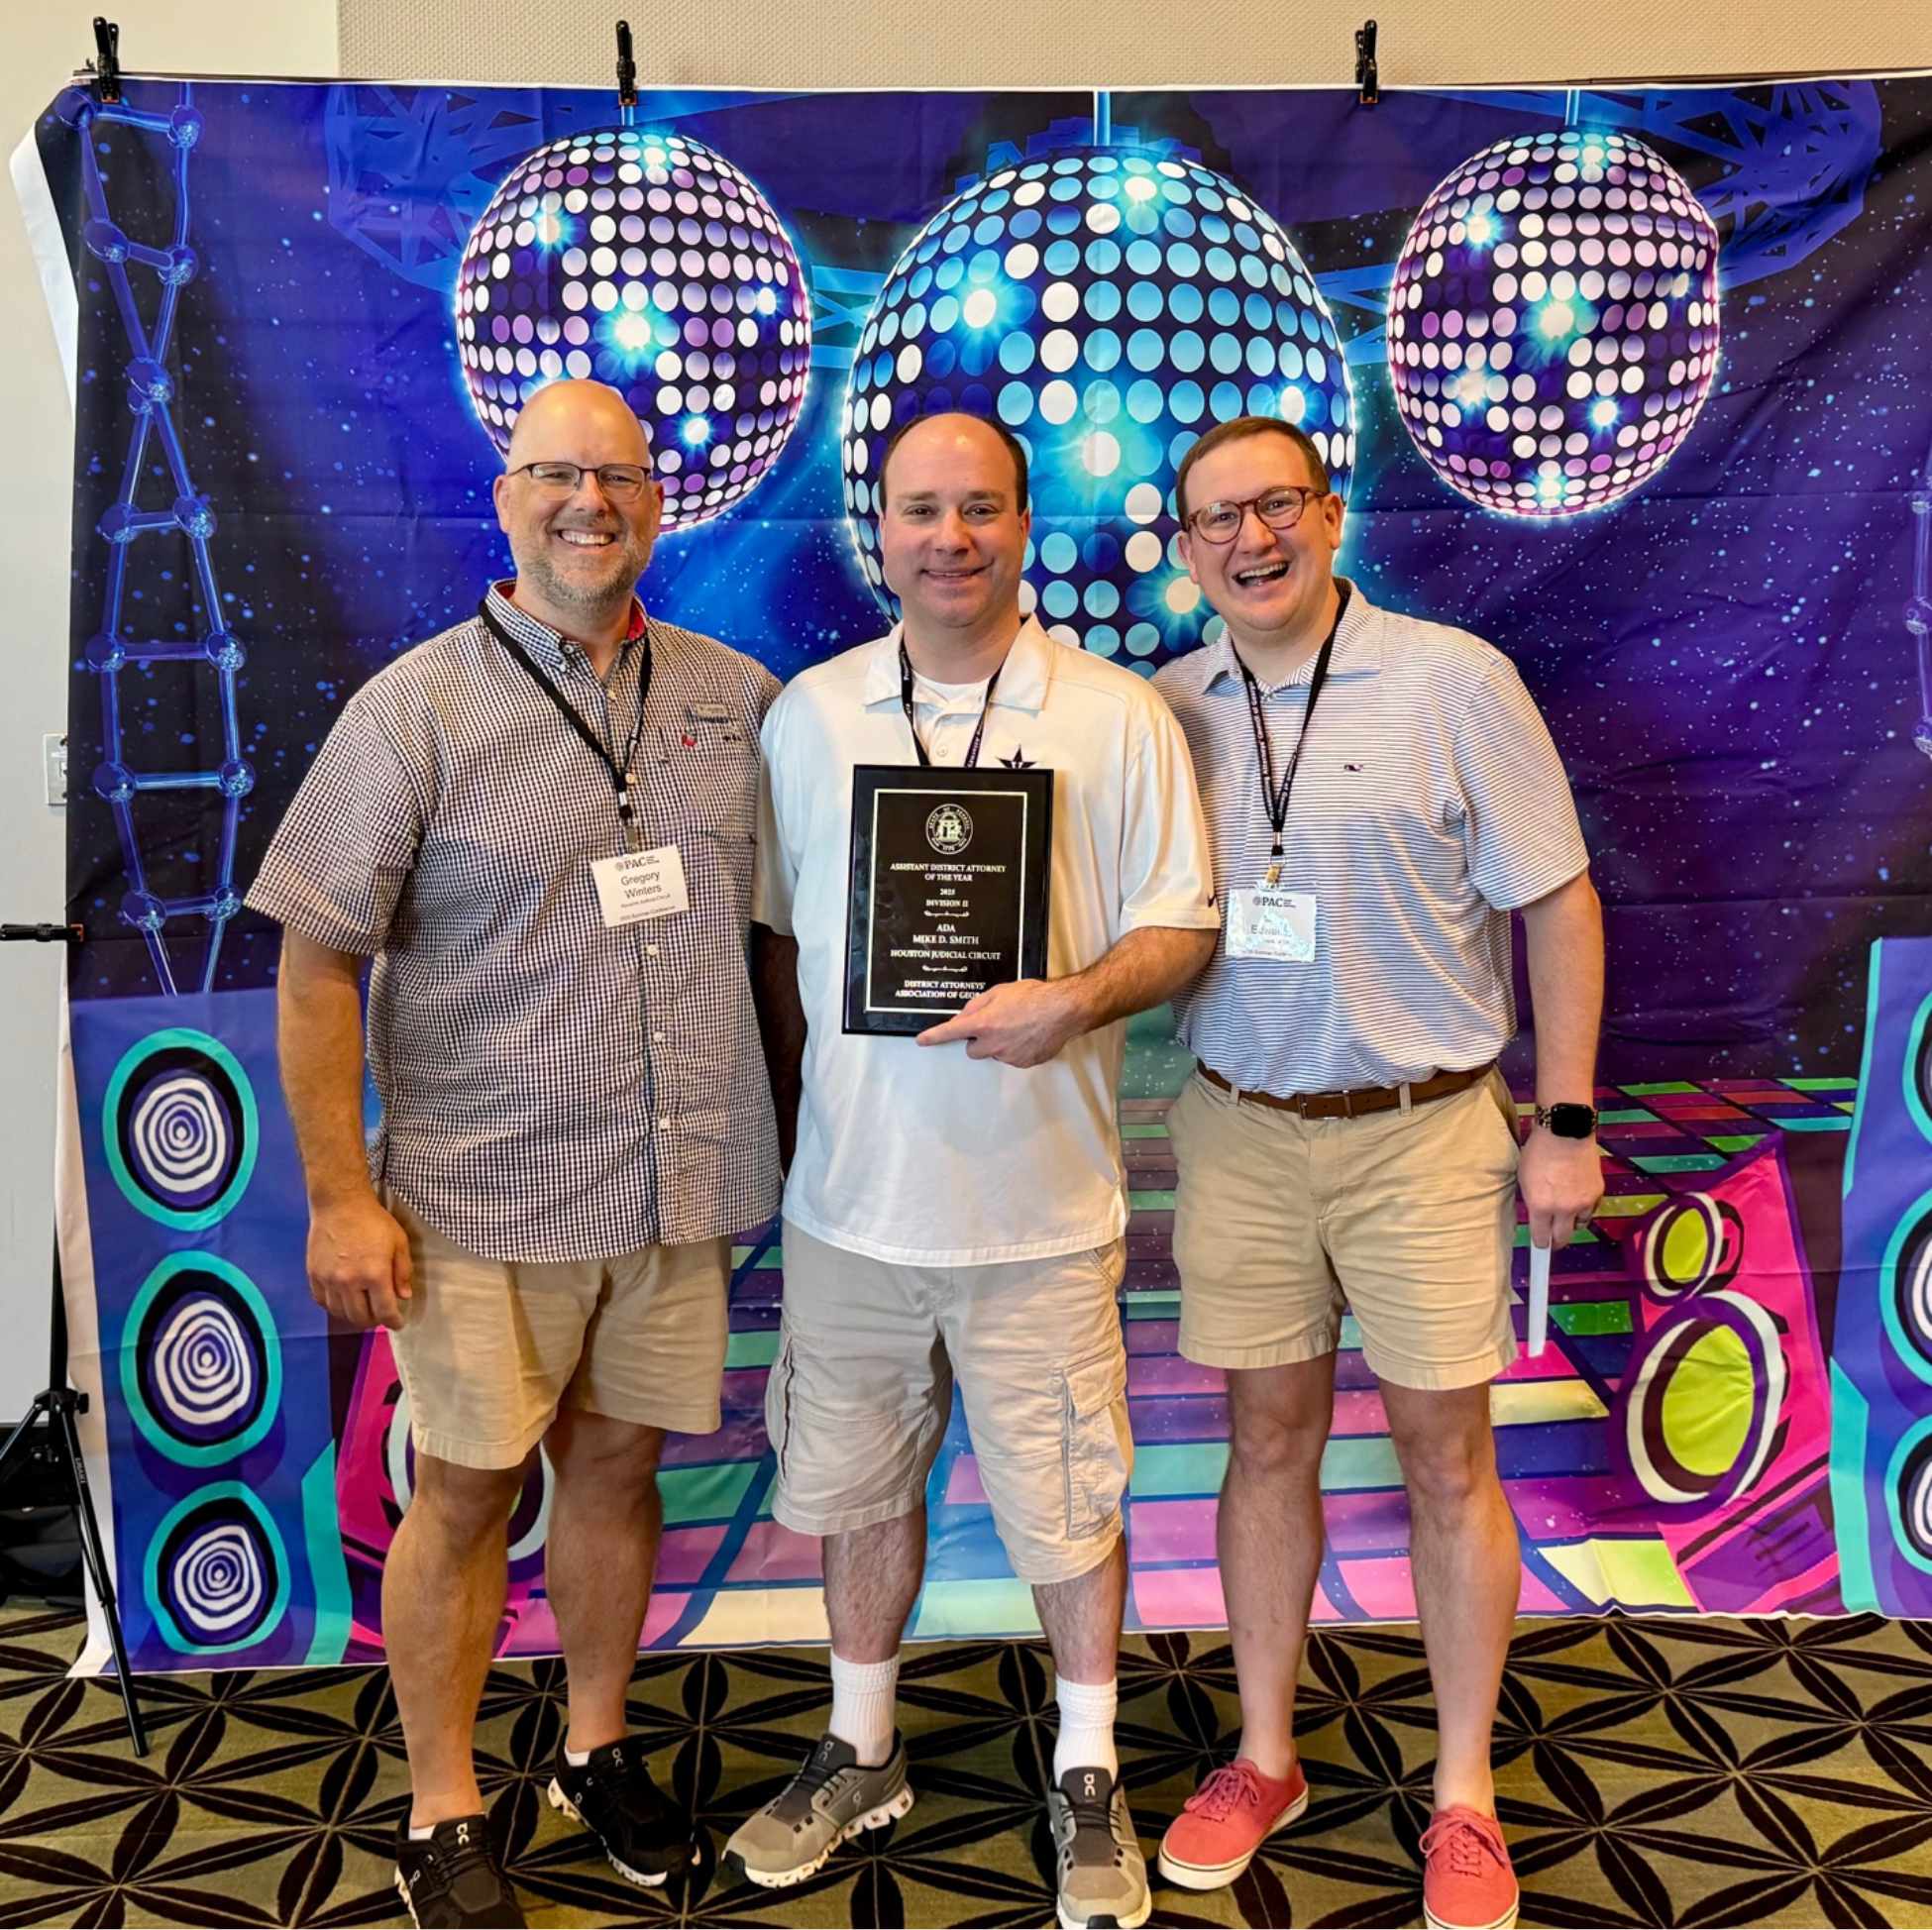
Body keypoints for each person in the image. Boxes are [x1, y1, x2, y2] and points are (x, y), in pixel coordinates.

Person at [247, 379, 785, 1930]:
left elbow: (776, 944)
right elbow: (317, 961)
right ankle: (440, 1805)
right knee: (467, 1492)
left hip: (678, 1184)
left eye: (617, 478)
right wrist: (341, 1195)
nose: (588, 506)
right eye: (556, 475)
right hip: (482, 1195)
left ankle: (596, 1746)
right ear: (504, 497)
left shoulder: (732, 696)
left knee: (617, 1474)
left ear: (657, 503)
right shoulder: (414, 709)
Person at [729, 410, 1219, 1929]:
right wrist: (812, 1112)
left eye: (980, 509)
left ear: (1024, 523)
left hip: (1039, 1208)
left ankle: (1087, 1774)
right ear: (877, 524)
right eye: (920, 508)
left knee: (1068, 1505)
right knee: (859, 1489)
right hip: (851, 1209)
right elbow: (775, 943)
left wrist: (1072, 999)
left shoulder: (1116, 713)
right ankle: (859, 1748)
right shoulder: (807, 717)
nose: (950, 537)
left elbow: (1184, 923)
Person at [1147, 416, 1603, 1930]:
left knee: (1442, 1458)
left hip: (1422, 1126)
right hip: (1238, 1127)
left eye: (1275, 505)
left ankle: (1461, 1792)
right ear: (1184, 542)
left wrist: (1566, 1118)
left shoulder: (1454, 681)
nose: (1250, 539)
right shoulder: (1170, 706)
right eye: (1217, 519)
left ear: (1329, 512)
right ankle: (1264, 1754)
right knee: (1263, 1444)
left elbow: (1557, 898)